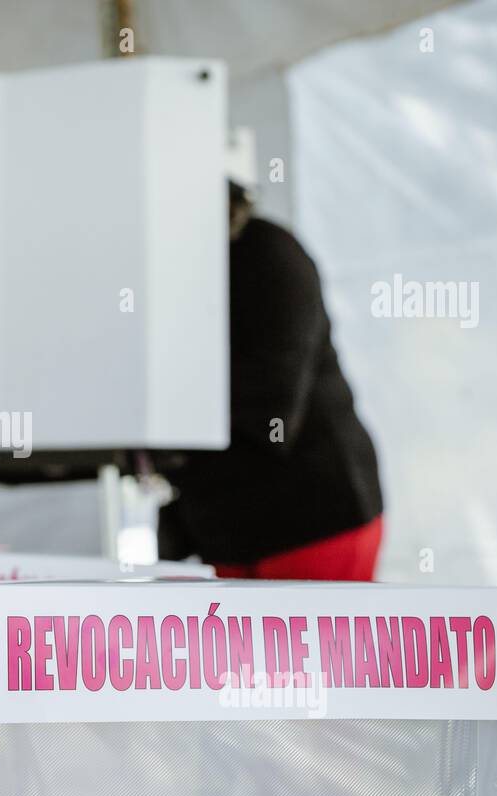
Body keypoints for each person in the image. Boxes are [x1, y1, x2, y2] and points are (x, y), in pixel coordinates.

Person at [158, 182, 382, 580]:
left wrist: (162, 438)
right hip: (226, 523)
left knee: (315, 643)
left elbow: (270, 414)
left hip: (311, 519)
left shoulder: (265, 252)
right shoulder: (175, 274)